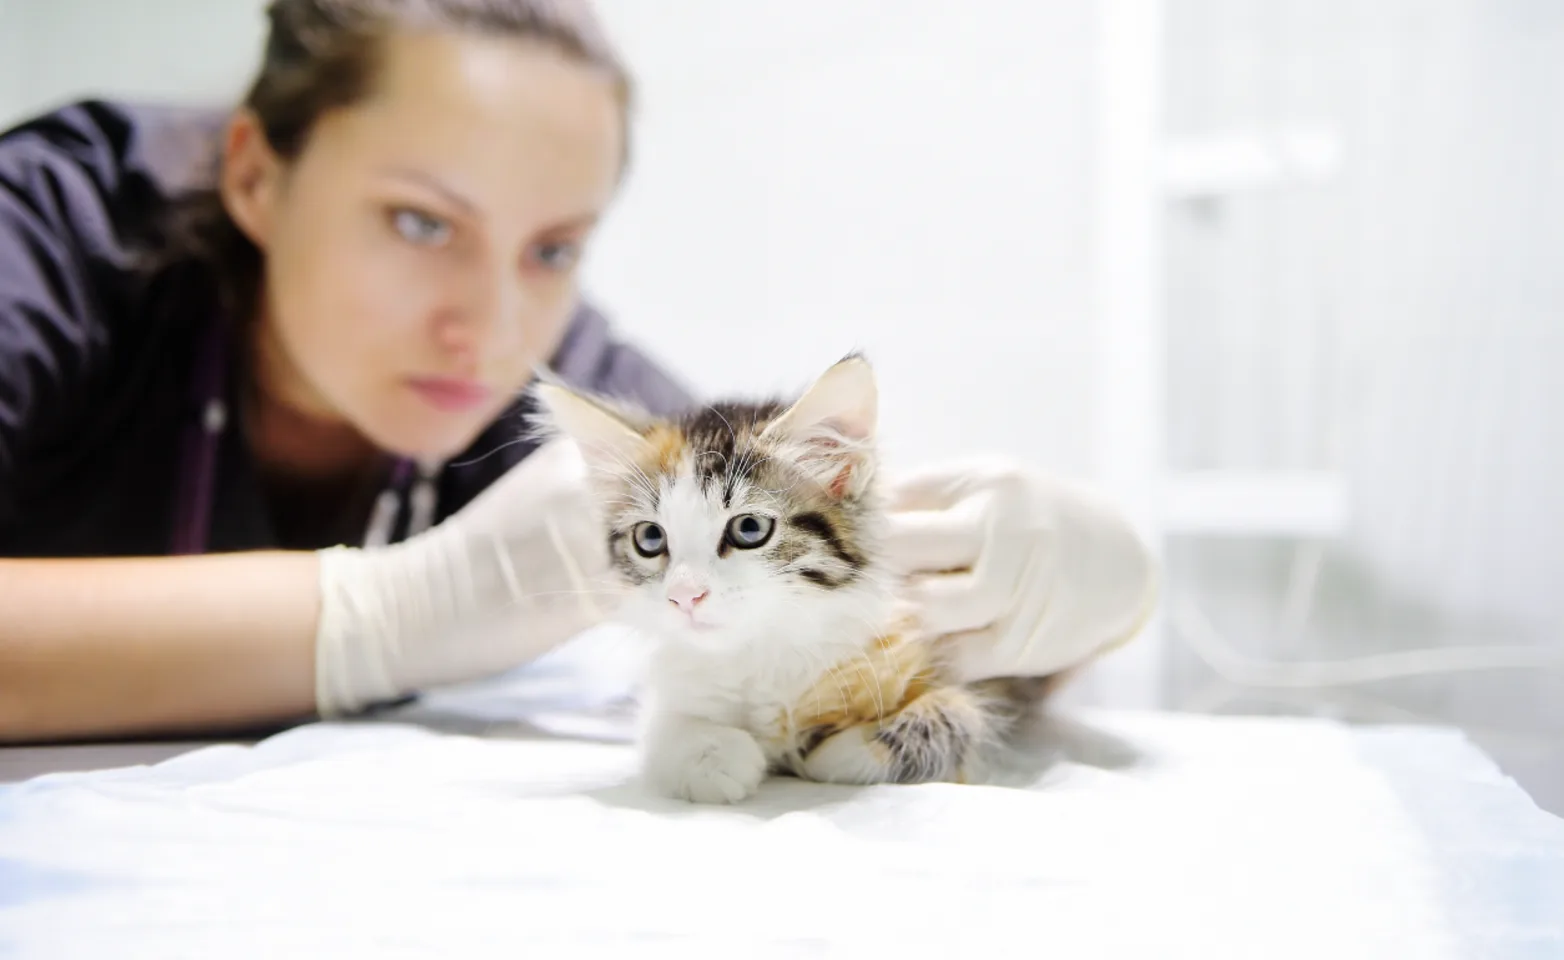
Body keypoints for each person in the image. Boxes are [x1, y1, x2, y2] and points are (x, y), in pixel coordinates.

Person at [0, 0, 1158, 745]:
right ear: (256, 175)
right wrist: (386, 618)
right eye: (418, 224)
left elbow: (807, 589)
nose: (496, 328)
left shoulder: (560, 384)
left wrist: (1061, 600)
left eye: (553, 248)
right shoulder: (50, 235)